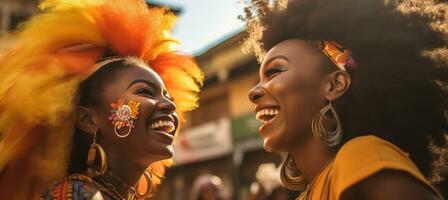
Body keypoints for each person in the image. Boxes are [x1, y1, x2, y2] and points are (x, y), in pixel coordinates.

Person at [243, 0, 448, 199]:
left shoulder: (361, 155)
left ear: (334, 85)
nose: (254, 93)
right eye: (260, 79)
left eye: (274, 72)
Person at [0, 0, 203, 199]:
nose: (169, 105)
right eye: (145, 92)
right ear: (87, 120)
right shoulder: (77, 194)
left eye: (168, 96)